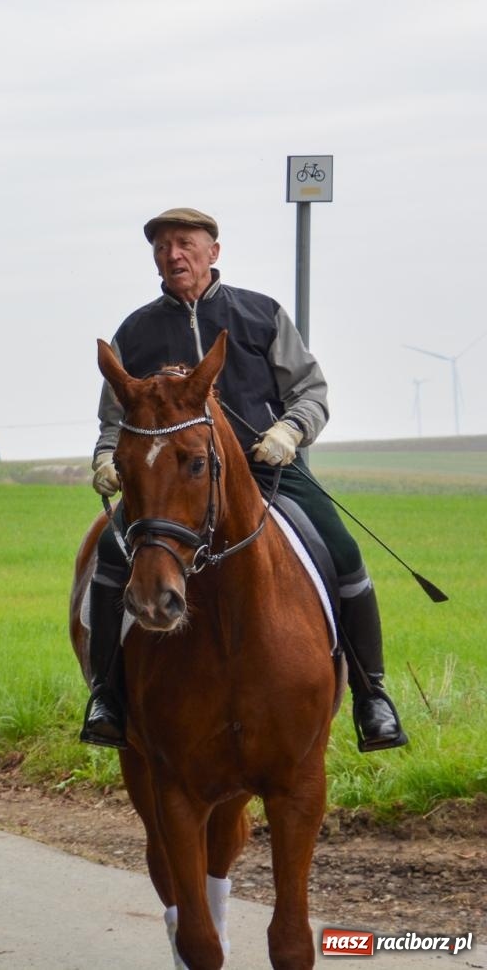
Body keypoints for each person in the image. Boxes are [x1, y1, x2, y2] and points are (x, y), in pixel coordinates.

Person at [80, 206, 407, 754]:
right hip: (173, 481)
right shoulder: (135, 331)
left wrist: (290, 431)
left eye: (185, 243)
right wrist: (107, 455)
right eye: (162, 247)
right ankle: (108, 695)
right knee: (113, 558)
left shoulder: (260, 315)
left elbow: (311, 390)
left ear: (213, 252)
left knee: (343, 549)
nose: (173, 255)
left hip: (266, 467)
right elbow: (115, 415)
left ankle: (372, 695)